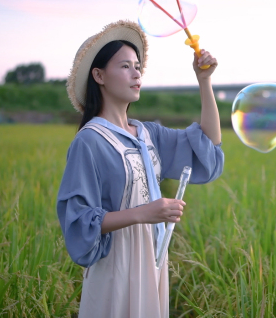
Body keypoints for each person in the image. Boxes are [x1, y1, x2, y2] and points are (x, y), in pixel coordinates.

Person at [56, 20, 224, 317]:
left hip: (154, 259)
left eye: (137, 66)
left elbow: (207, 144)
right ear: (99, 75)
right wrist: (144, 213)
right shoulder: (90, 141)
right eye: (125, 66)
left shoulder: (148, 134)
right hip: (116, 264)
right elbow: (79, 221)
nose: (136, 73)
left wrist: (204, 82)